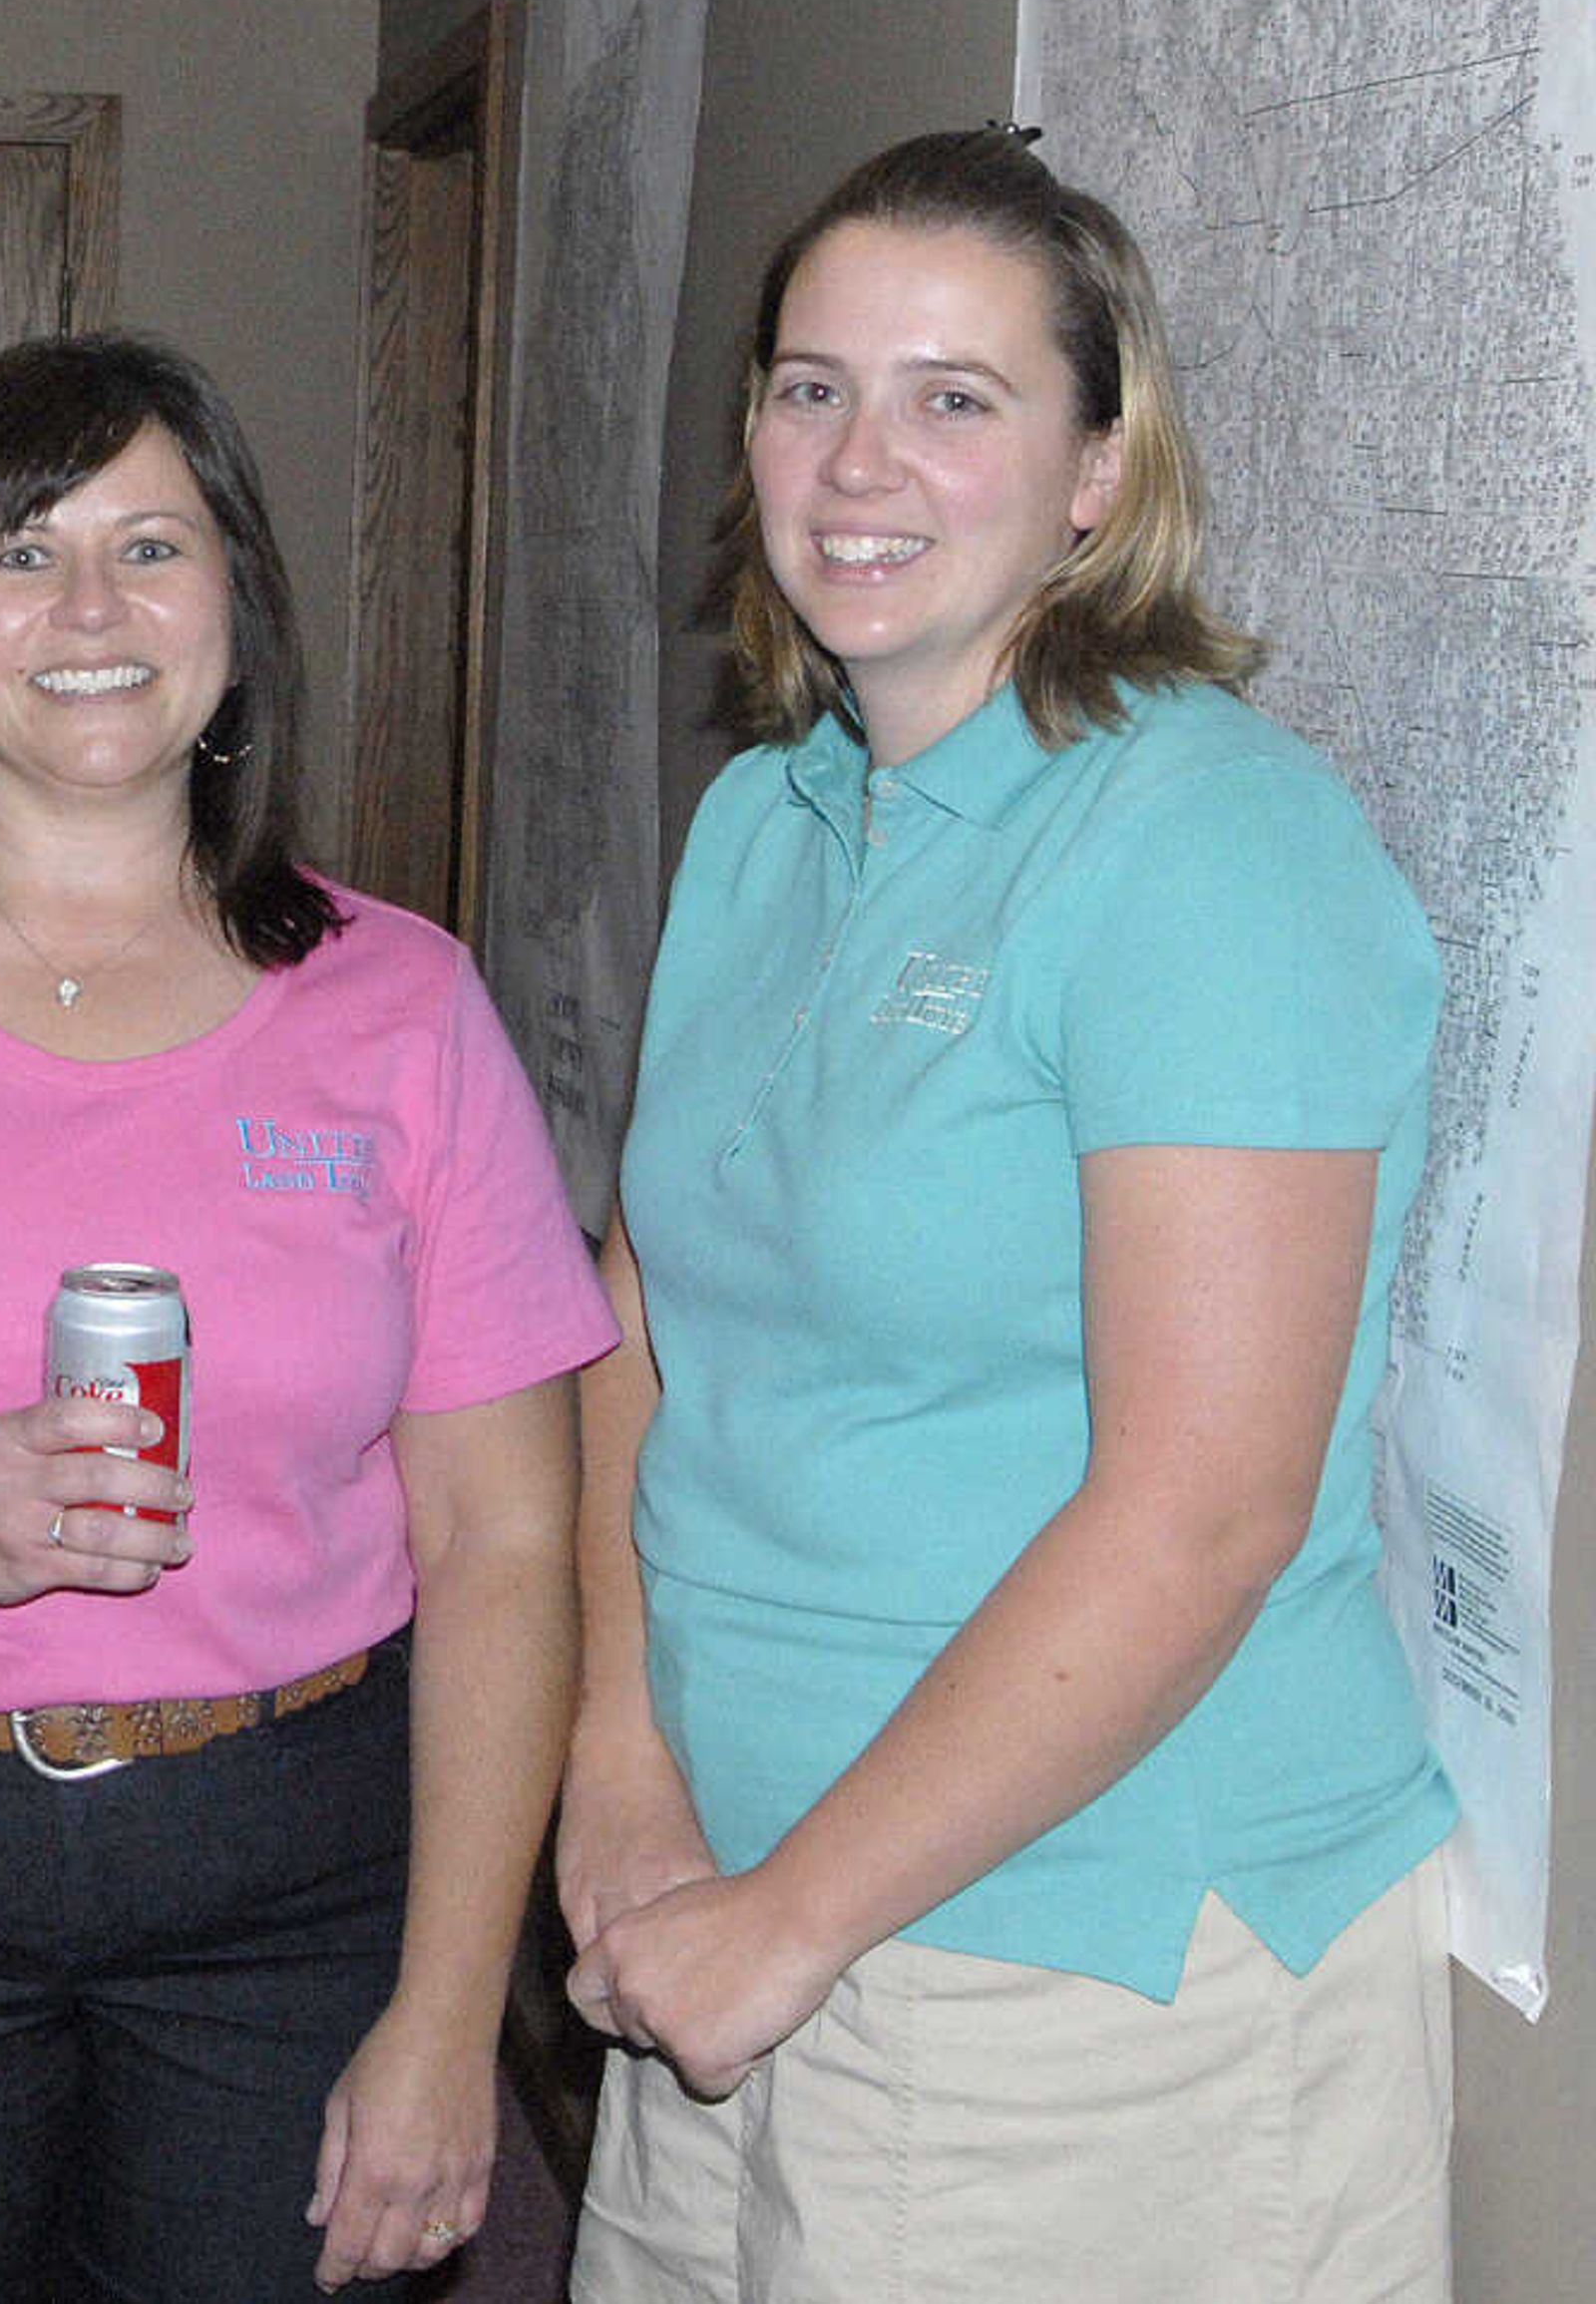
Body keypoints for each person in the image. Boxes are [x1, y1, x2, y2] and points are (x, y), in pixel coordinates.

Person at [558, 128, 1454, 2302]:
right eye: (809, 386)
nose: (859, 459)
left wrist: (791, 1916)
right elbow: (646, 1306)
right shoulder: (774, 821)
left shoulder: (1205, 840)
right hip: (729, 1897)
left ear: (1094, 470)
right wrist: (617, 1755)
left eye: (957, 398)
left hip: (1081, 1966)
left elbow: (1206, 1512)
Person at [0, 332, 614, 2302]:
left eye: (152, 547)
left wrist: (449, 2013)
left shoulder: (401, 1006)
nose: (87, 612)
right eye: (21, 550)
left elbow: (508, 1542)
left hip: (290, 1871)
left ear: (239, 609)